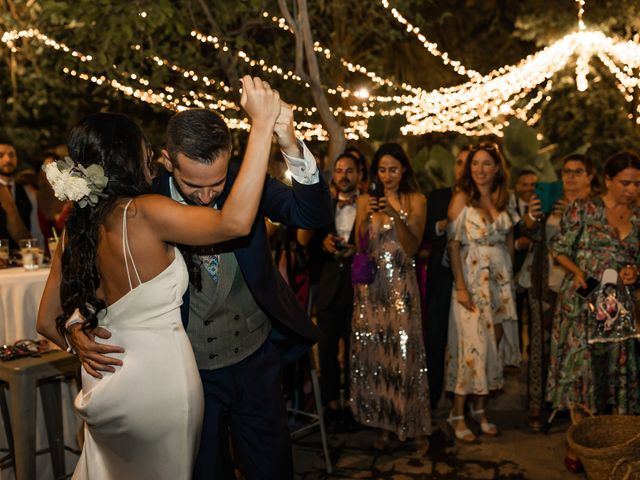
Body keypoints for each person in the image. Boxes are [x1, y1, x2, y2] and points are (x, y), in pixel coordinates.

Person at [66, 88, 332, 478]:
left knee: (273, 468)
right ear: (167, 162)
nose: (207, 196)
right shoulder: (144, 199)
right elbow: (98, 261)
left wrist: (288, 141)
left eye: (217, 184)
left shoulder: (247, 177)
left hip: (256, 357)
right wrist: (76, 320)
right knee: (206, 472)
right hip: (187, 371)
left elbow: (312, 214)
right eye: (194, 186)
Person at [545, 151, 640, 472]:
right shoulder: (583, 210)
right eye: (625, 183)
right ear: (608, 181)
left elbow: (636, 261)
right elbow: (558, 248)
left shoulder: (639, 217)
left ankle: (609, 446)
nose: (632, 190)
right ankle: (579, 444)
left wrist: (633, 273)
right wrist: (577, 270)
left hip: (617, 310)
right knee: (582, 375)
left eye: (638, 184)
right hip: (583, 305)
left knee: (613, 374)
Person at [349, 142, 430, 452]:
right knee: (378, 358)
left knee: (406, 356)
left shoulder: (416, 200)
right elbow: (359, 246)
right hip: (372, 290)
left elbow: (412, 246)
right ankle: (383, 423)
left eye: (393, 169)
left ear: (404, 169)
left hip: (401, 287)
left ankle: (414, 425)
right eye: (382, 170)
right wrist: (363, 218)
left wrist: (394, 214)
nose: (387, 176)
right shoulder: (366, 200)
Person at [445, 142, 520, 443]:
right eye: (475, 163)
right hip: (471, 282)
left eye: (487, 163)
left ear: (497, 168)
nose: (480, 169)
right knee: (471, 349)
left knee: (493, 348)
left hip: (500, 285)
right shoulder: (462, 198)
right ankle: (456, 413)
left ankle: (480, 410)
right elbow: (452, 245)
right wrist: (461, 286)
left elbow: (510, 241)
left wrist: (510, 284)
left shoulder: (507, 199)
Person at [524, 154, 595, 432]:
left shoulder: (596, 207)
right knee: (541, 348)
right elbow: (525, 232)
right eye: (567, 171)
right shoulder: (551, 198)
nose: (571, 177)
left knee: (578, 350)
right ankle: (538, 407)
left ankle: (579, 410)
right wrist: (533, 215)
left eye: (578, 171)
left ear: (590, 175)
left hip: (583, 286)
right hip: (545, 283)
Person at [310, 151, 360, 428]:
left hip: (357, 289)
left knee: (355, 350)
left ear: (359, 174)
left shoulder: (367, 205)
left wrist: (358, 250)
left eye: (349, 170)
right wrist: (322, 243)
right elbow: (308, 242)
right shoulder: (323, 206)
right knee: (327, 350)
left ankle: (354, 402)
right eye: (339, 170)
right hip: (328, 288)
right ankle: (331, 404)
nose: (343, 175)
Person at [423, 145, 470, 410]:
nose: (464, 168)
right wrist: (442, 225)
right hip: (442, 276)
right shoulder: (439, 196)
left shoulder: (482, 198)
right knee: (437, 338)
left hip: (472, 277)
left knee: (467, 341)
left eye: (469, 163)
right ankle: (432, 398)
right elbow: (425, 230)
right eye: (460, 162)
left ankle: (463, 405)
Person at [0, 139, 33, 248]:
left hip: (24, 258)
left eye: (12, 155)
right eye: (1, 155)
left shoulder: (27, 191)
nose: (7, 160)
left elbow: (34, 227)